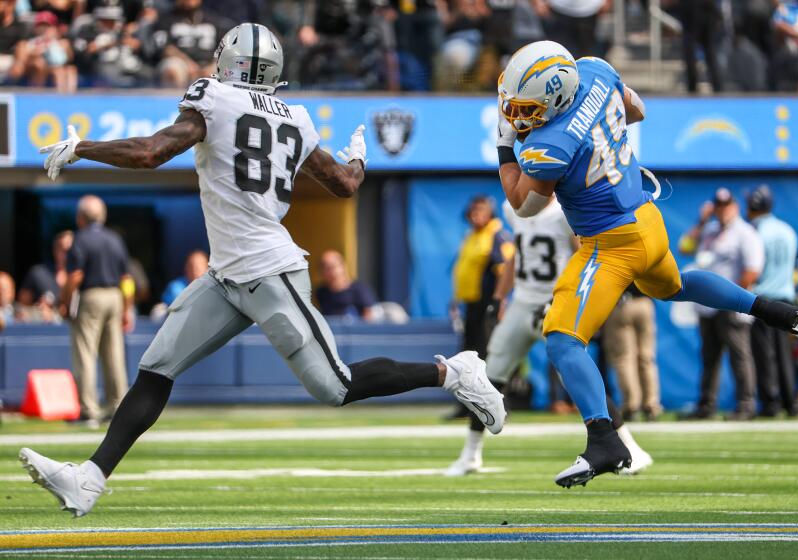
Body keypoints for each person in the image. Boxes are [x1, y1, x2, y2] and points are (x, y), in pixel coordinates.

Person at [23, 23, 504, 517]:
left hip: (270, 269)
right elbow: (342, 184)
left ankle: (451, 371)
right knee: (156, 368)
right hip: (227, 274)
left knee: (334, 385)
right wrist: (359, 158)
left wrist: (83, 148)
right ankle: (90, 478)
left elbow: (151, 152)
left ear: (227, 61)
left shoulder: (214, 97)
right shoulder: (293, 115)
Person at [494, 40, 798, 488]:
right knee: (674, 284)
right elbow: (637, 110)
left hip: (609, 243)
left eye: (527, 108)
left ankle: (604, 439)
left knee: (562, 339)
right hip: (647, 220)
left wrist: (505, 145)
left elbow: (522, 203)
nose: (517, 114)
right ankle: (771, 310)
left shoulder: (550, 143)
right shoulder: (595, 73)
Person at [446, 197, 654, 477]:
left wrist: (571, 297)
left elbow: (585, 256)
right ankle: (470, 454)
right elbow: (517, 257)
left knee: (577, 372)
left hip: (555, 302)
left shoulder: (565, 213)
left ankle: (630, 448)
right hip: (523, 303)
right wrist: (498, 297)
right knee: (487, 377)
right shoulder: (514, 209)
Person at [679, 189, 765, 421]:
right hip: (707, 306)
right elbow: (684, 247)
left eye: (726, 205)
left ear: (734, 206)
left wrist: (731, 297)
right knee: (709, 358)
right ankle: (706, 405)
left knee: (739, 357)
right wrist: (702, 220)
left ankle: (746, 405)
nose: (722, 209)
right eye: (718, 205)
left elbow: (752, 270)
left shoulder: (745, 233)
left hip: (732, 306)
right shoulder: (709, 230)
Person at [60, 196, 133, 426]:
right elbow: (127, 278)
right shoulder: (115, 239)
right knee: (114, 355)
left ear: (80, 218)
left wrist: (65, 301)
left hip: (91, 297)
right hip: (115, 296)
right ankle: (118, 407)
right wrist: (126, 308)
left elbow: (75, 276)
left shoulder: (80, 239)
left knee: (85, 354)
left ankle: (88, 411)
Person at [746, 185, 798, 417]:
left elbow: (754, 268)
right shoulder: (787, 230)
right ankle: (792, 403)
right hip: (787, 298)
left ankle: (771, 404)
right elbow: (797, 266)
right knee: (784, 354)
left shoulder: (755, 232)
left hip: (764, 299)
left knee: (764, 355)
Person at [451, 195, 514, 359]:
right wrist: (456, 298)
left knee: (486, 350)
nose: (474, 215)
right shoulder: (471, 236)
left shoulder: (496, 236)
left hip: (489, 304)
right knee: (469, 350)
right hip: (472, 303)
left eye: (480, 211)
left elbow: (505, 271)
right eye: (472, 211)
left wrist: (500, 302)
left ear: (489, 214)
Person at [602, 286, 661, 422]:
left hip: (622, 304)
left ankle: (631, 406)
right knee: (647, 358)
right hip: (644, 303)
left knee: (624, 358)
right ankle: (651, 405)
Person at [17, 230, 73, 324]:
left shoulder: (83, 276)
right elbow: (22, 305)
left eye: (71, 250)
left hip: (74, 330)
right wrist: (38, 309)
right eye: (64, 250)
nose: (68, 254)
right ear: (55, 250)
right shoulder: (38, 273)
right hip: (45, 332)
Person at [315, 250, 377, 321]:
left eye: (332, 267)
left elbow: (369, 317)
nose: (330, 272)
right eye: (325, 268)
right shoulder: (320, 292)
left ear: (342, 267)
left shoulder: (360, 289)